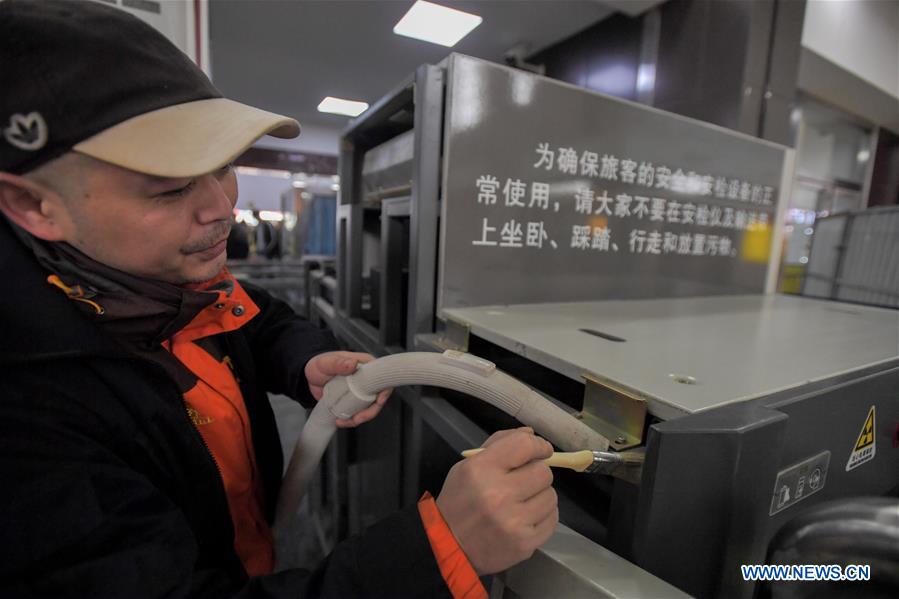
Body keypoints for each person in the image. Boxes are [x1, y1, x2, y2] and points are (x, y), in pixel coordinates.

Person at [0, 2, 558, 598]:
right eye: (171, 187)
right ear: (35, 206)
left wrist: (306, 360)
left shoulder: (152, 280)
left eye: (225, 166)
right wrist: (440, 552)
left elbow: (255, 316)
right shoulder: (26, 422)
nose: (222, 206)